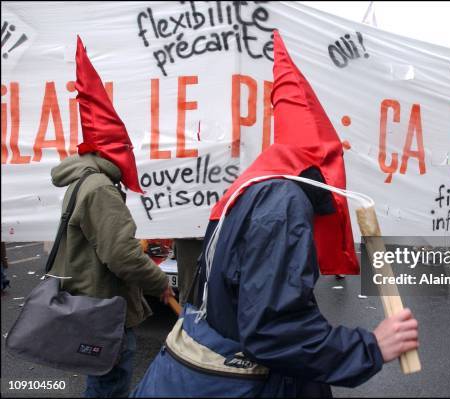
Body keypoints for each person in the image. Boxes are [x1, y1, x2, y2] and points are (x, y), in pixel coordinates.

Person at [132, 31, 419, 397]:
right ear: (318, 159)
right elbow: (272, 329)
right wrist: (372, 346)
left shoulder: (252, 190)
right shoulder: (283, 202)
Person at [47, 36, 172, 398]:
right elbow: (120, 254)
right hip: (104, 309)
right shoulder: (100, 188)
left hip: (91, 303)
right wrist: (158, 283)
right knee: (109, 383)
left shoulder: (83, 180)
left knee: (101, 380)